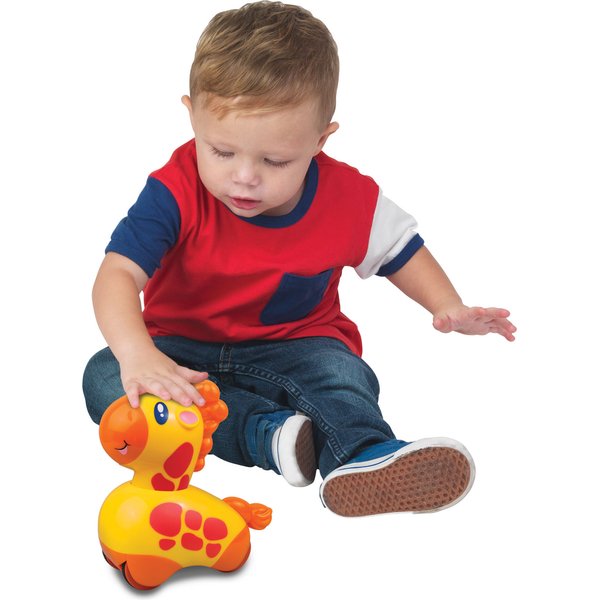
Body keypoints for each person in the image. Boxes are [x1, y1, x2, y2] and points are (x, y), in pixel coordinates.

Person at [83, 1, 516, 518]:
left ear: (319, 140)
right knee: (105, 377)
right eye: (221, 152)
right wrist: (138, 354)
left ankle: (362, 456)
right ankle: (272, 437)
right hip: (180, 350)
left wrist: (447, 305)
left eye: (275, 160)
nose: (245, 177)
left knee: (339, 376)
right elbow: (117, 273)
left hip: (297, 345)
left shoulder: (348, 197)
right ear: (191, 115)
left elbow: (402, 251)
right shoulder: (174, 191)